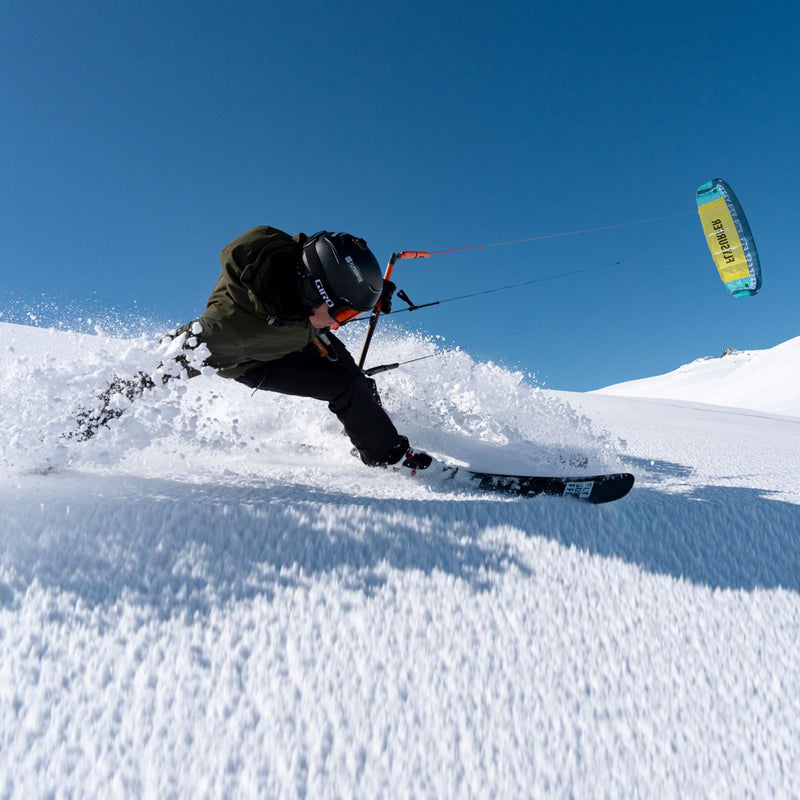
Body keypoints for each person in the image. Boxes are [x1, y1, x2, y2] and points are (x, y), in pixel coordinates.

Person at [182, 225, 432, 471]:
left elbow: (337, 270)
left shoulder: (305, 272)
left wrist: (371, 294)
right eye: (345, 313)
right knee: (345, 385)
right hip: (258, 361)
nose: (343, 322)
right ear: (315, 294)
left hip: (302, 332)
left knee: (358, 384)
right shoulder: (229, 326)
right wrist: (143, 384)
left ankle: (372, 431)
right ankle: (388, 457)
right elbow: (168, 358)